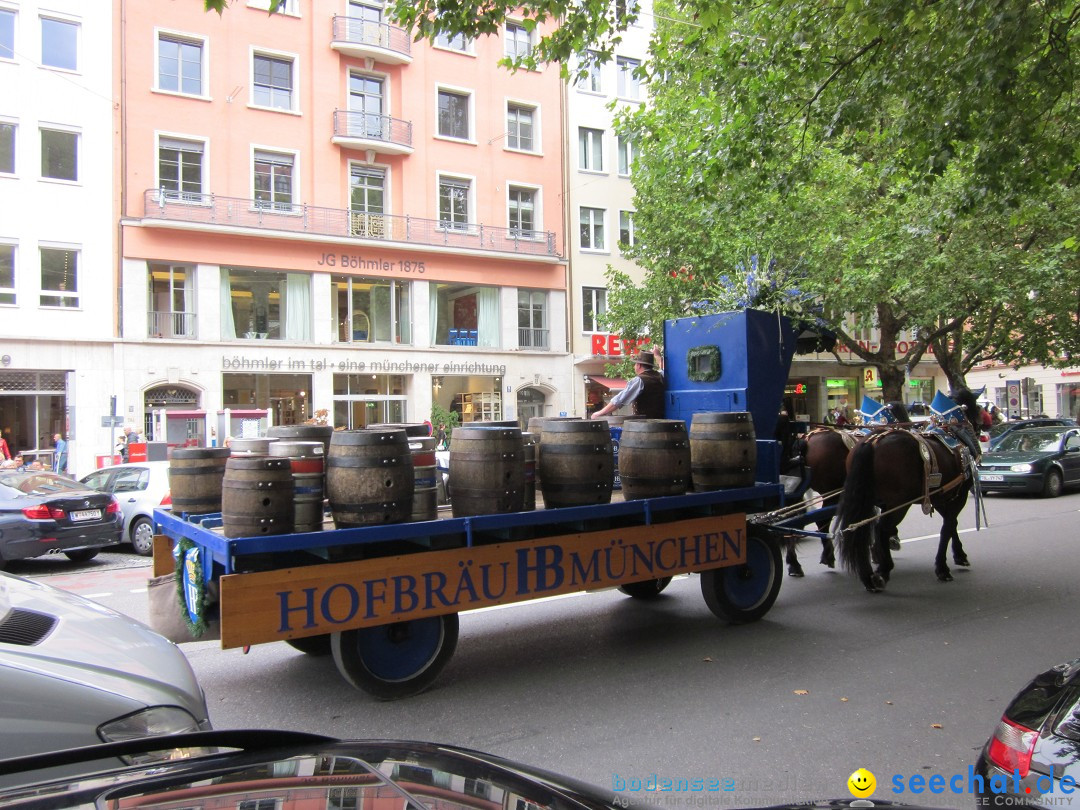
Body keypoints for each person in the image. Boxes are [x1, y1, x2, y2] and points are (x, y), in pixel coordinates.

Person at [589, 350, 665, 420]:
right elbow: (664, 369)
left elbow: (619, 400)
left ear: (639, 365)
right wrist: (658, 357)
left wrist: (599, 413)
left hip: (645, 426)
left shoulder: (638, 381)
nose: (634, 366)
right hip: (661, 422)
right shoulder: (661, 375)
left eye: (635, 364)